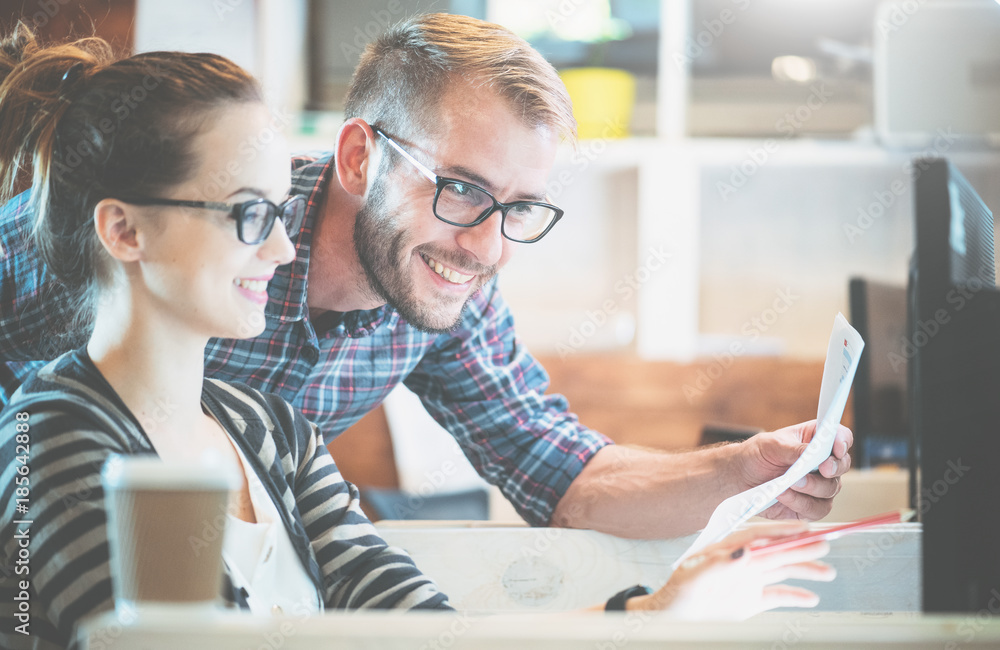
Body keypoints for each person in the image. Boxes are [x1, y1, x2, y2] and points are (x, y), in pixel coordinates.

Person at [0, 23, 836, 650]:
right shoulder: (58, 396)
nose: (489, 246)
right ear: (359, 159)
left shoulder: (277, 436)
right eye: (464, 190)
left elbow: (542, 490)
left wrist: (738, 484)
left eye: (520, 210)